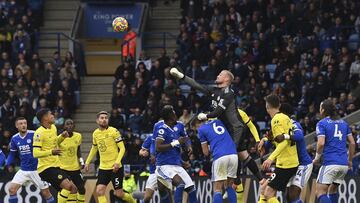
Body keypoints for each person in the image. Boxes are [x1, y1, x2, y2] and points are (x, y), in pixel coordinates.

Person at [170, 68, 262, 182]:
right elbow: (197, 85)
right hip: (227, 129)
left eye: (220, 74)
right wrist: (181, 76)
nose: (217, 75)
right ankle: (261, 180)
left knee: (231, 153)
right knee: (243, 155)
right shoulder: (214, 91)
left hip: (236, 129)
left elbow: (218, 111)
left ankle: (236, 182)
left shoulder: (229, 93)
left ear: (227, 79)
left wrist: (206, 116)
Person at [259, 103, 313, 203]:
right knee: (288, 196)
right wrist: (265, 140)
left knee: (292, 194)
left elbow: (300, 136)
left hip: (303, 164)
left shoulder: (294, 124)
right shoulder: (281, 125)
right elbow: (273, 138)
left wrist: (285, 136)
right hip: (290, 164)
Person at [85, 111, 136, 203]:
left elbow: (122, 148)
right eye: (102, 118)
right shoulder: (95, 133)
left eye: (106, 118)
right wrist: (87, 162)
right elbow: (94, 148)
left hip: (115, 168)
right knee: (99, 191)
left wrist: (117, 162)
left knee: (119, 194)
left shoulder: (114, 131)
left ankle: (133, 201)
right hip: (103, 168)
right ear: (97, 120)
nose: (104, 120)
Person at [313, 99, 355, 203]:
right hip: (343, 164)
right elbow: (353, 143)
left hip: (330, 164)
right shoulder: (344, 123)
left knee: (320, 192)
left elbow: (321, 143)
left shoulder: (321, 123)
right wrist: (349, 161)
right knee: (332, 190)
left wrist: (317, 158)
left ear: (322, 110)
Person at [154, 105, 198, 203]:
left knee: (191, 189)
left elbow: (185, 138)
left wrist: (189, 145)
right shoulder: (162, 129)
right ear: (170, 116)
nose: (175, 113)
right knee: (180, 184)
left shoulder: (180, 125)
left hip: (177, 164)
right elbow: (158, 147)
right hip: (164, 165)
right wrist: (176, 142)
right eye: (173, 112)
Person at [33, 109, 78, 203]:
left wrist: (61, 137)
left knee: (73, 189)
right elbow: (35, 153)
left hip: (56, 165)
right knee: (69, 186)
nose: (53, 115)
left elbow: (53, 143)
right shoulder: (39, 133)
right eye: (50, 114)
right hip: (46, 168)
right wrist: (51, 152)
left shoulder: (53, 127)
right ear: (45, 118)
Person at [6, 117, 55, 203]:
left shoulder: (34, 134)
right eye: (21, 124)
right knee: (11, 189)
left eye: (25, 123)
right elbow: (12, 154)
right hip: (23, 170)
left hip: (37, 169)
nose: (23, 125)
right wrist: (8, 164)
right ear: (16, 125)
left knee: (46, 193)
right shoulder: (14, 138)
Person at [261, 95, 299, 203]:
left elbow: (283, 143)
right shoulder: (285, 117)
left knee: (268, 193)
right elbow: (281, 138)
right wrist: (265, 140)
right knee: (264, 189)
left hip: (285, 164)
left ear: (267, 106)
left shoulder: (276, 120)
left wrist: (270, 158)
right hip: (291, 160)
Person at [194, 118, 237, 203]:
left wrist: (210, 147)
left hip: (220, 156)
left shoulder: (201, 129)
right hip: (233, 154)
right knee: (229, 185)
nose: (196, 131)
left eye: (195, 128)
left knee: (217, 188)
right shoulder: (218, 121)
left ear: (197, 124)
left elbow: (205, 153)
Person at [58, 119, 85, 202]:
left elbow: (78, 150)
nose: (69, 125)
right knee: (66, 189)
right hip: (63, 168)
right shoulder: (59, 138)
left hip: (75, 168)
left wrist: (81, 161)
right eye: (67, 124)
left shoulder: (78, 136)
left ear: (74, 126)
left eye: (71, 124)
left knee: (82, 189)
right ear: (64, 126)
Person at [139, 135, 157, 203]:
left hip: (167, 169)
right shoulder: (151, 137)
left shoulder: (170, 136)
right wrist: (143, 153)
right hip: (154, 171)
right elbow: (141, 151)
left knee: (167, 192)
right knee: (147, 197)